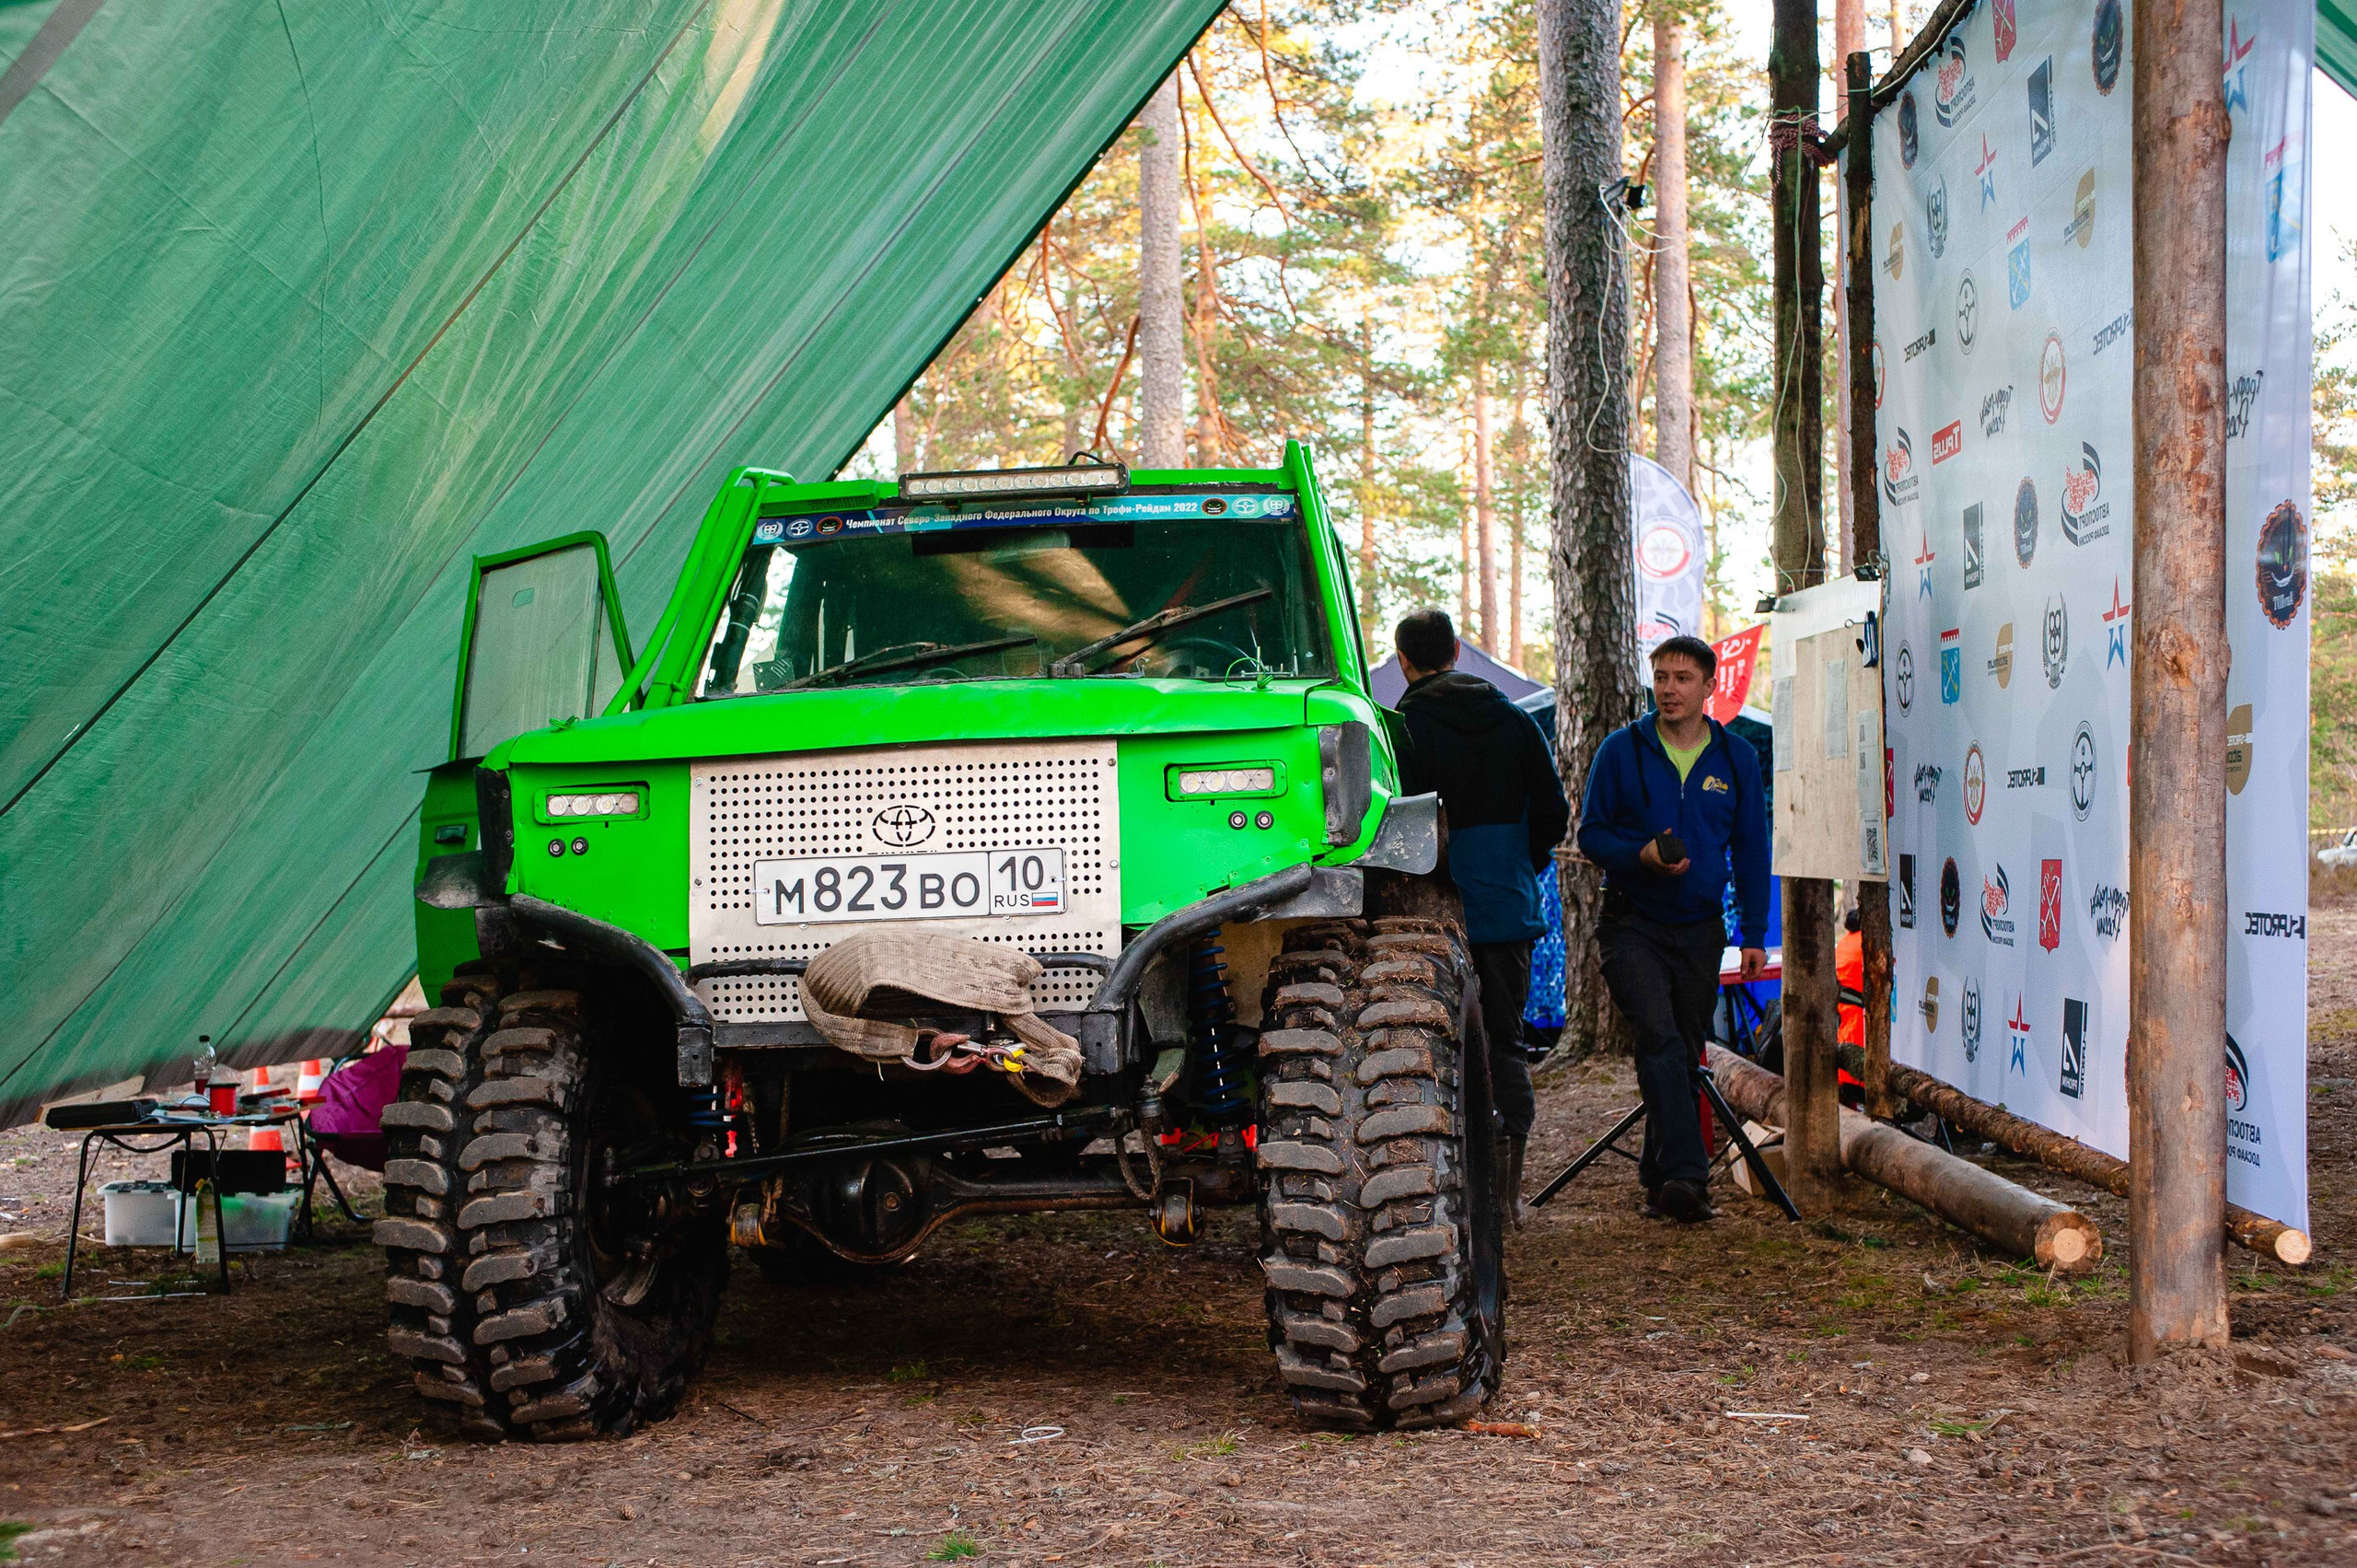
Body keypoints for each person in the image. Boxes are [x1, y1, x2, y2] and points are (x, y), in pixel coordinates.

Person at [1576, 634, 1770, 1225]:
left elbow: (1751, 850)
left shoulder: (1736, 758)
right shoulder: (1620, 750)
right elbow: (1591, 835)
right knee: (1658, 1037)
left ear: (1710, 686)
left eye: (1683, 678)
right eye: (1661, 676)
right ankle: (1690, 1173)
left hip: (1701, 928)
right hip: (1630, 923)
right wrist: (1641, 856)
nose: (1668, 688)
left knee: (1684, 1048)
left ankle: (1658, 1173)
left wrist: (1755, 932)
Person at [1392, 609, 1571, 1223]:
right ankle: (1507, 1194)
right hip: (1507, 910)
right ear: (1458, 651)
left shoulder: (1402, 729)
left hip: (1427, 919)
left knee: (1428, 1047)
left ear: (1403, 660)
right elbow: (1554, 815)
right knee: (1506, 1043)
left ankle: (1442, 1197)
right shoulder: (1518, 724)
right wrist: (1519, 860)